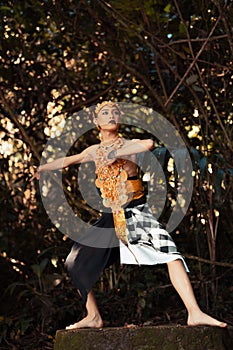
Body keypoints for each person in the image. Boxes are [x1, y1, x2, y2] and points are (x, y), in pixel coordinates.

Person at [32, 101, 227, 329]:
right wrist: (42, 168)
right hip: (112, 217)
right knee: (75, 262)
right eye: (106, 113)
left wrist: (116, 152)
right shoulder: (94, 150)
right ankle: (93, 316)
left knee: (170, 254)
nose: (111, 115)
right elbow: (69, 160)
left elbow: (149, 143)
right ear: (96, 122)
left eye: (115, 112)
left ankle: (194, 313)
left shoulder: (130, 144)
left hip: (135, 212)